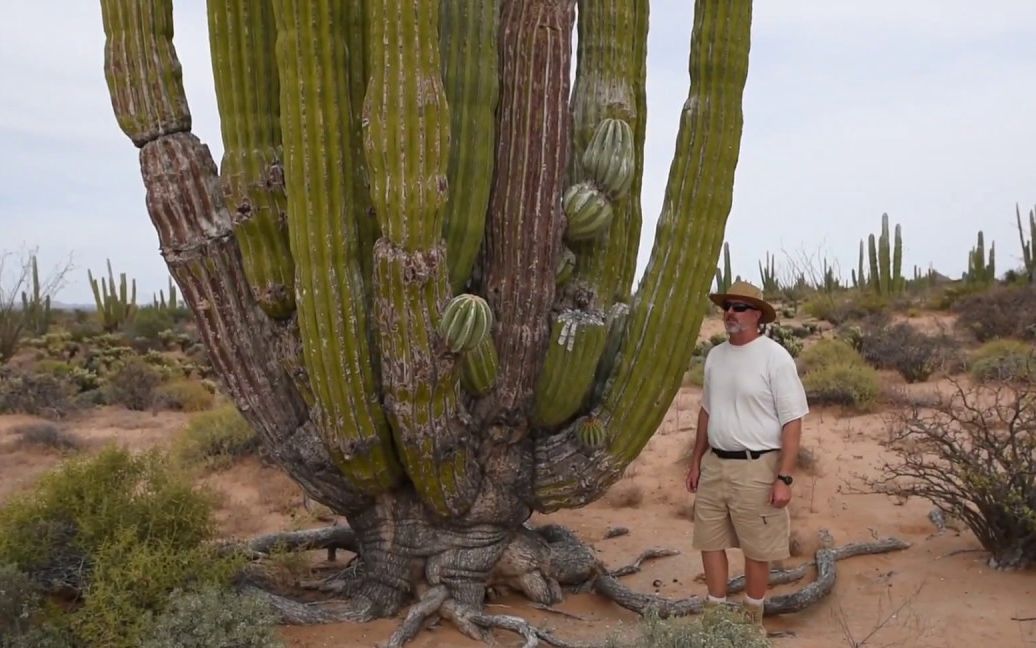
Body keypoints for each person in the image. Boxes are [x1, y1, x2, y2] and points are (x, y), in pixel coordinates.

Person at [685, 280, 809, 631]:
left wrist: (784, 478)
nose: (730, 314)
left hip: (758, 467)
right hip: (715, 465)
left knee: (757, 548)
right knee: (710, 541)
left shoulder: (774, 357)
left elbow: (793, 421)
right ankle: (715, 616)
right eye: (727, 307)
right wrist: (696, 460)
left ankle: (753, 617)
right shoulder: (715, 356)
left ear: (757, 315)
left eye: (739, 307)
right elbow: (706, 412)